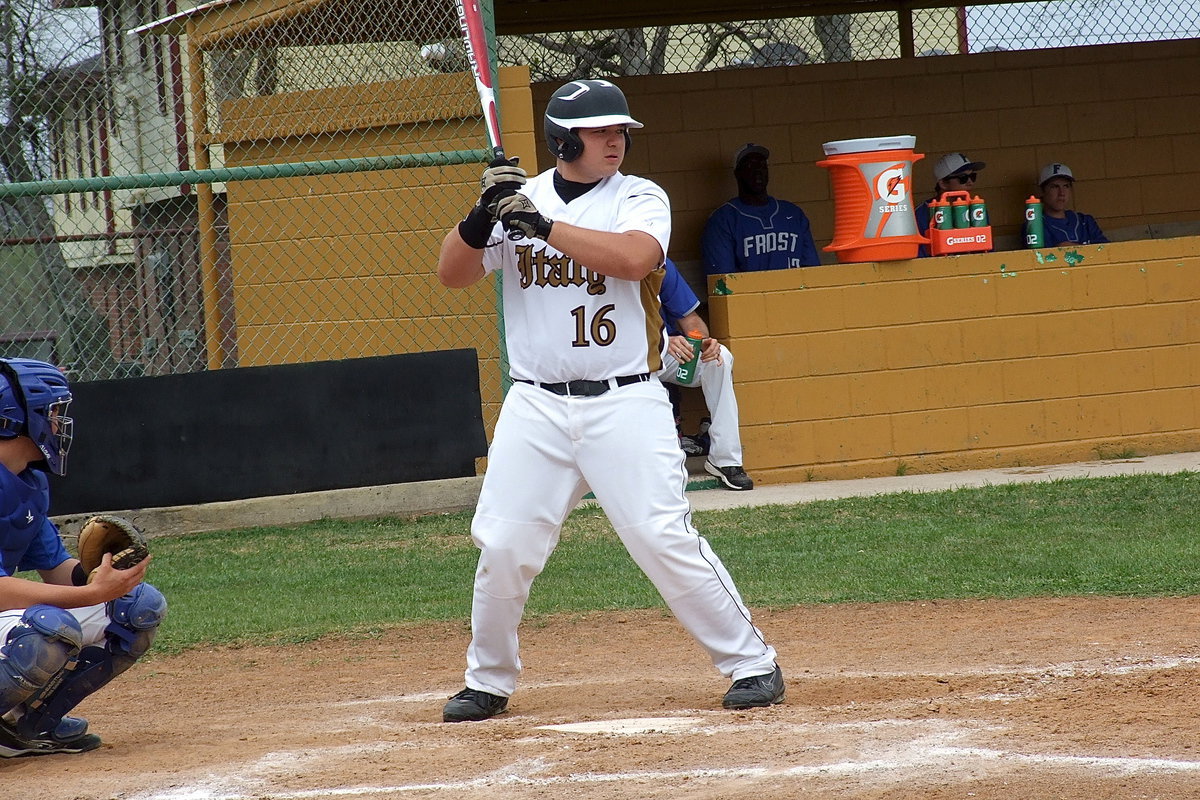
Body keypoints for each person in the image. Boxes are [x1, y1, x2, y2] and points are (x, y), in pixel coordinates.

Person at [436, 78, 783, 722]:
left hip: (625, 401)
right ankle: (487, 680)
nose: (615, 140)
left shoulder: (639, 195)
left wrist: (542, 224)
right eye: (599, 131)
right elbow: (450, 273)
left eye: (619, 130)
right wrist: (482, 217)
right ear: (563, 138)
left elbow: (633, 259)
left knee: (661, 535)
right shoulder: (519, 198)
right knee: (504, 546)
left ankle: (751, 663)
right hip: (535, 405)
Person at [0, 358, 166, 757]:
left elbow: (57, 570)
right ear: (13, 419)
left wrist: (103, 575)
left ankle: (26, 727)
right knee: (45, 629)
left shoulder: (27, 482)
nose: (58, 423)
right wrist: (91, 595)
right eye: (51, 412)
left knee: (135, 606)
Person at [658, 259, 753, 491]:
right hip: (619, 360)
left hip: (665, 355)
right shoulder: (604, 264)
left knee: (720, 359)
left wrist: (700, 341)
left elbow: (692, 322)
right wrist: (661, 341)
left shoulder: (659, 263)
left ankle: (725, 460)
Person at [701, 143, 819, 275]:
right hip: (751, 295)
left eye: (762, 166)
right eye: (750, 166)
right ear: (737, 173)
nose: (758, 171)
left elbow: (812, 270)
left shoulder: (792, 213)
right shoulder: (723, 219)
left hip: (795, 293)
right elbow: (722, 280)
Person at [914, 152, 986, 257]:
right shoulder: (923, 212)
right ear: (943, 183)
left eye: (973, 176)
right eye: (963, 178)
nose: (970, 182)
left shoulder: (976, 208)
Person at [1031, 163, 1109, 247]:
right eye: (1054, 187)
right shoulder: (1035, 226)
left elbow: (1107, 251)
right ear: (1042, 191)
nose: (1061, 193)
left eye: (1066, 186)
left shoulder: (1085, 221)